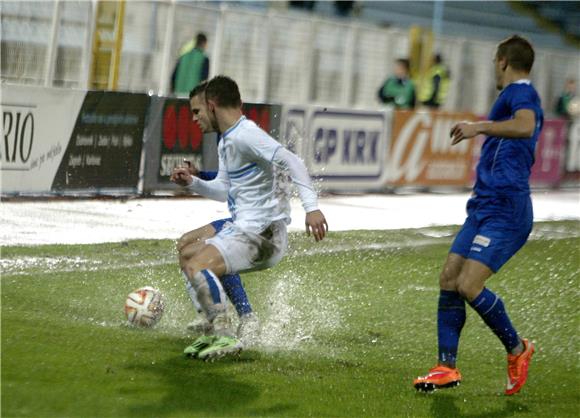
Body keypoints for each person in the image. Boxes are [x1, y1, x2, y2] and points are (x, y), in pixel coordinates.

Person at [413, 35, 543, 396]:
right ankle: (446, 367)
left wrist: (479, 126)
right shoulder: (512, 95)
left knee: (469, 285)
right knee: (449, 277)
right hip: (484, 206)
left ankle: (518, 349)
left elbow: (526, 125)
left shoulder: (521, 92)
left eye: (493, 63)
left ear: (502, 61)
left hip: (506, 209)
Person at [170, 75, 328, 360]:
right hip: (248, 230)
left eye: (197, 111)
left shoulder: (245, 134)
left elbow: (292, 161)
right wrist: (192, 183)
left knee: (196, 266)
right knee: (189, 253)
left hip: (261, 235)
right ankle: (214, 326)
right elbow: (224, 190)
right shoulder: (228, 140)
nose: (195, 118)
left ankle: (226, 335)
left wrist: (312, 208)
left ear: (211, 105)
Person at [171, 33, 210, 97]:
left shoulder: (183, 56)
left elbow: (173, 77)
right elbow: (203, 80)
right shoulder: (204, 59)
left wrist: (173, 90)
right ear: (204, 43)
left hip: (178, 94)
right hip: (193, 97)